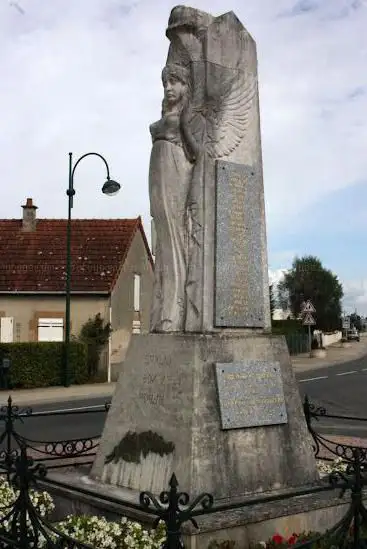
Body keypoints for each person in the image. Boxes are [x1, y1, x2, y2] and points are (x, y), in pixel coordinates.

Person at [149, 63, 199, 332]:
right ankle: (161, 309)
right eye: (165, 82)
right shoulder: (167, 111)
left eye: (174, 81)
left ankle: (174, 310)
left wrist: (185, 129)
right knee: (162, 235)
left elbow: (197, 152)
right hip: (159, 171)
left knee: (174, 235)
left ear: (185, 85)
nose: (168, 87)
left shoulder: (187, 112)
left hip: (176, 168)